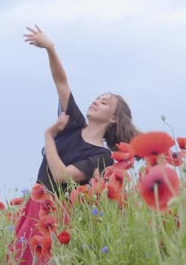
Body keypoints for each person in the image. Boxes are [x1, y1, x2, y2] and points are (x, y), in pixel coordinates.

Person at [9, 25, 140, 265]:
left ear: (113, 118)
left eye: (104, 102)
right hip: (35, 205)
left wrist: (49, 136)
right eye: (97, 98)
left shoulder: (103, 157)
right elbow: (62, 82)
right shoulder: (73, 123)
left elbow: (61, 177)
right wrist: (50, 48)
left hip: (55, 216)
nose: (96, 101)